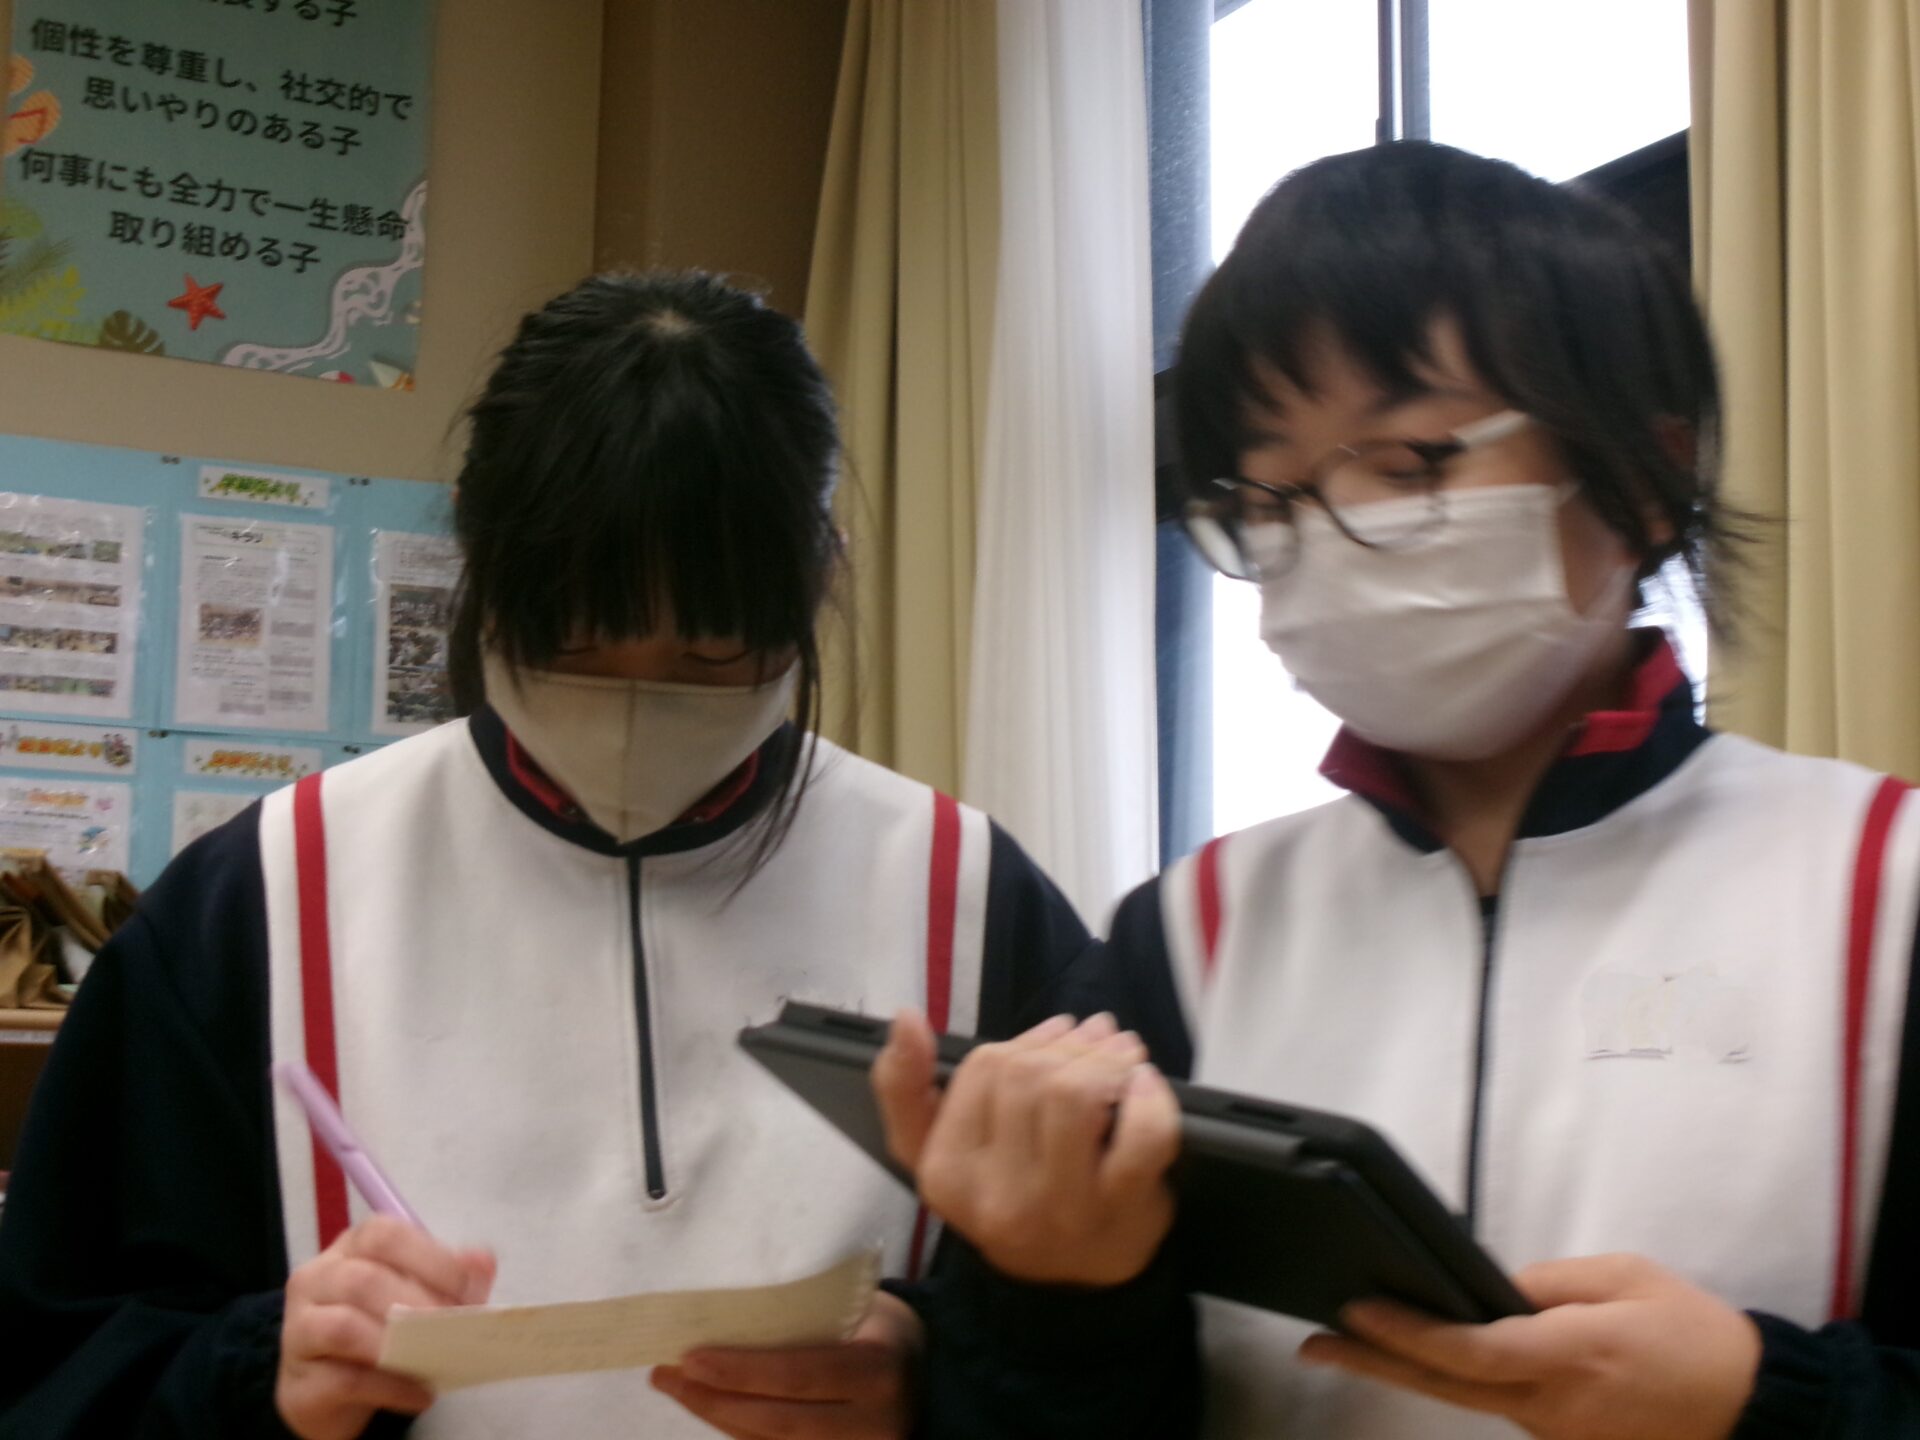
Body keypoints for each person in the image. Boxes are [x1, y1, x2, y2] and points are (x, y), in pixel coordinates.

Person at [877, 142, 1920, 1439]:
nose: (1327, 534)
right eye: (1269, 492)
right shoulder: (1188, 937)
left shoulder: (1882, 886)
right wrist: (1059, 1294)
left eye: (1415, 462)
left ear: (1648, 478)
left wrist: (1762, 1402)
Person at [0, 271, 1096, 1440]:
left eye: (712, 652)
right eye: (573, 643)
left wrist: (934, 1373)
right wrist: (259, 1373)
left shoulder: (969, 898)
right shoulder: (261, 900)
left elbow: (1115, 1348)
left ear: (817, 577)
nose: (634, 706)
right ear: (480, 561)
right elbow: (53, 1368)